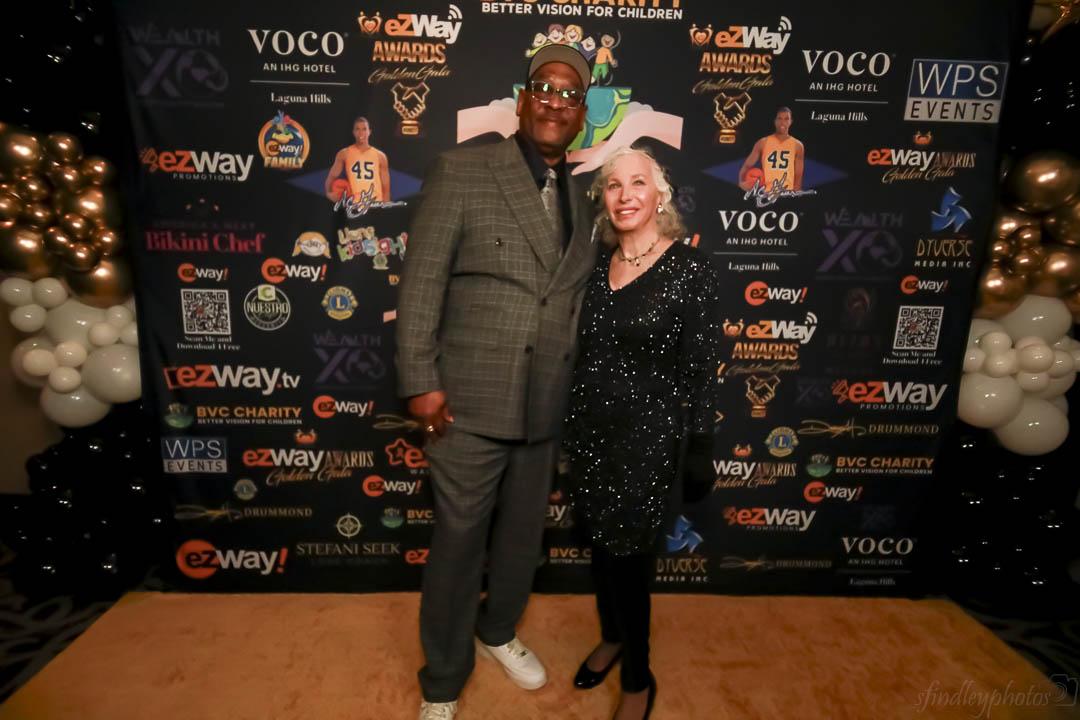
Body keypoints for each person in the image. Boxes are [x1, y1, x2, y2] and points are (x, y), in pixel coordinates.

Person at [396, 44, 597, 720]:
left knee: (520, 541)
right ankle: (443, 680)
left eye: (570, 94)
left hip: (546, 404)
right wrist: (420, 381)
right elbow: (421, 282)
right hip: (468, 403)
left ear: (582, 115)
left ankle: (498, 629)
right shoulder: (463, 170)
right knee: (458, 546)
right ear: (522, 99)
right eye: (545, 87)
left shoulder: (583, 197)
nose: (556, 101)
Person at [563, 146, 720, 720]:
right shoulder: (594, 268)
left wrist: (700, 447)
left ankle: (637, 675)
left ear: (660, 196)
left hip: (646, 443)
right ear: (603, 199)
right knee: (602, 553)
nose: (625, 195)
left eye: (638, 183)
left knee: (629, 562)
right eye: (613, 185)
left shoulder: (691, 270)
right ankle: (611, 637)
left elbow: (701, 370)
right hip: (589, 437)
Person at [325, 116, 390, 203]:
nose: (361, 132)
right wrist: (328, 194)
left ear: (369, 132)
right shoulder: (344, 154)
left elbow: (386, 188)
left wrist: (385, 207)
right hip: (355, 204)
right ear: (353, 132)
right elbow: (331, 177)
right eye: (357, 129)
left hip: (376, 203)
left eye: (364, 129)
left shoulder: (380, 156)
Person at [738, 106, 804, 191]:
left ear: (790, 121)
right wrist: (741, 183)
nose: (782, 122)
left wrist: (796, 194)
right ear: (775, 121)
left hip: (787, 192)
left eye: (786, 119)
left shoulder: (798, 145)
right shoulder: (762, 143)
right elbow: (747, 165)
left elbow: (798, 175)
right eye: (779, 118)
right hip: (767, 193)